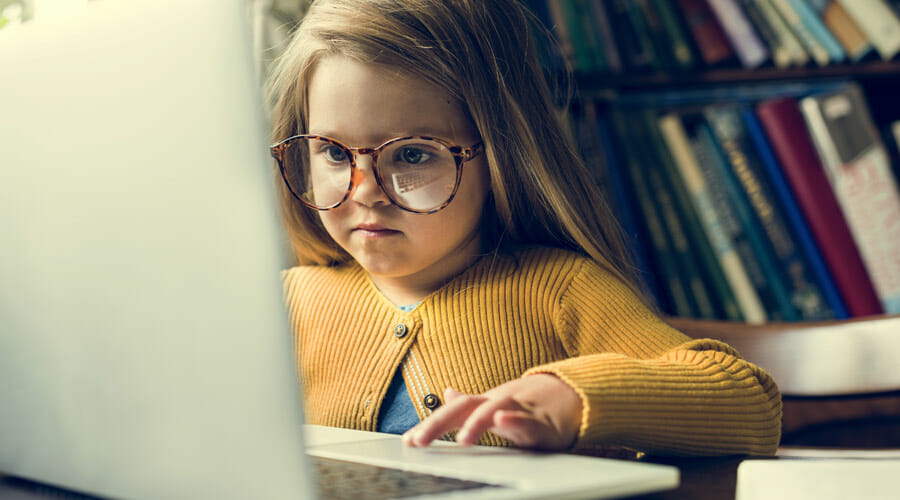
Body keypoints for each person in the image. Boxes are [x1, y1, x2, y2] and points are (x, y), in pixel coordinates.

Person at [267, 0, 781, 456]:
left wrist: (572, 396)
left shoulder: (559, 290)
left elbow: (748, 402)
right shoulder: (285, 303)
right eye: (333, 152)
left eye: (414, 154)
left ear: (501, 156)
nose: (364, 191)